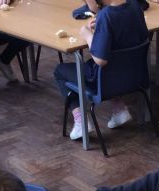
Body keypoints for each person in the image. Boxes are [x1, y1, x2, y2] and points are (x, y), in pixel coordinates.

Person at [53, 0, 149, 141]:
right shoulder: (135, 5)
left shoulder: (106, 15)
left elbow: (100, 59)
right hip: (134, 75)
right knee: (114, 64)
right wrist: (102, 27)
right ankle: (119, 108)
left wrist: (87, 35)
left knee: (60, 71)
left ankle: (81, 122)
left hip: (106, 82)